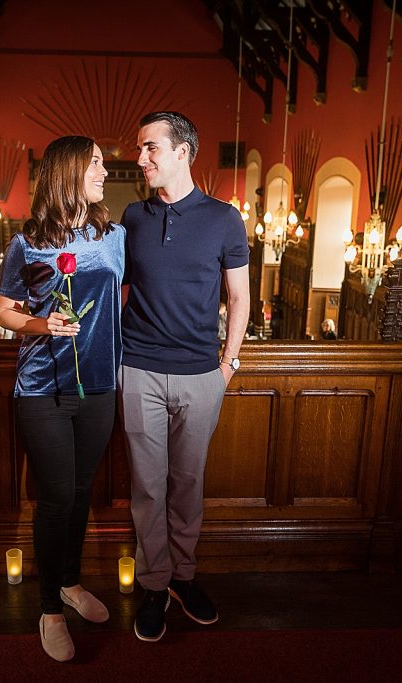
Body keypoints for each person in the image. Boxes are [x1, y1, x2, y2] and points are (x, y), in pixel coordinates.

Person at [120, 111, 250, 642]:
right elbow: (116, 291)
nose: (142, 157)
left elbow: (239, 297)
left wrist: (227, 366)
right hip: (139, 371)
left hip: (202, 375)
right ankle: (154, 585)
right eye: (141, 148)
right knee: (147, 488)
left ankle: (184, 578)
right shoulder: (131, 216)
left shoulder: (224, 218)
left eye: (152, 148)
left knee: (188, 486)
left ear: (183, 152)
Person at [0, 135, 124, 662]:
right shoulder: (27, 243)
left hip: (98, 385)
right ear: (69, 170)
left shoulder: (114, 235)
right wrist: (41, 323)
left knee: (79, 491)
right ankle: (49, 608)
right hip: (42, 386)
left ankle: (70, 582)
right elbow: (4, 311)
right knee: (54, 499)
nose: (103, 171)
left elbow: (127, 296)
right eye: (95, 163)